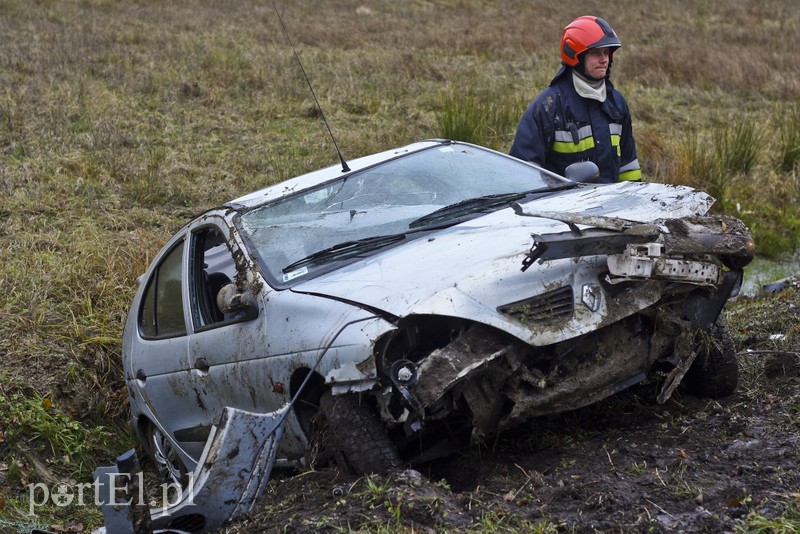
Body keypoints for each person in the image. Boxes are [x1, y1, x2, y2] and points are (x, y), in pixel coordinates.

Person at [510, 16, 641, 183]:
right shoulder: (548, 106)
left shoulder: (617, 103)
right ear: (575, 56)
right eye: (595, 52)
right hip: (561, 206)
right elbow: (522, 172)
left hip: (611, 206)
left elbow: (629, 167)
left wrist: (633, 203)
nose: (604, 59)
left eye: (607, 52)